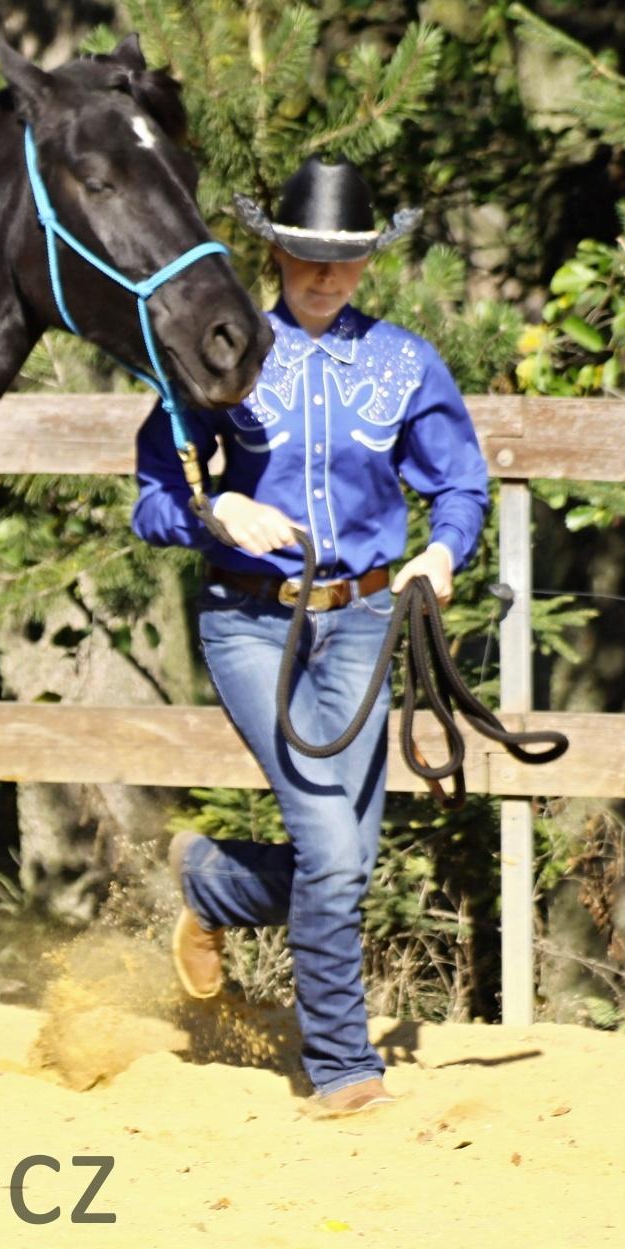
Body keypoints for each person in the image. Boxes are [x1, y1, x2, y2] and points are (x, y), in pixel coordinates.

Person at [129, 157, 490, 1118]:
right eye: (305, 255)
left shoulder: (406, 364)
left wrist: (442, 552)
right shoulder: (220, 354)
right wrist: (218, 511)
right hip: (253, 623)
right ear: (275, 253)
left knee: (343, 860)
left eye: (345, 258)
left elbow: (461, 482)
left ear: (368, 261)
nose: (325, 275)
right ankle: (341, 1068)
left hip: (367, 620)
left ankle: (212, 885)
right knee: (333, 849)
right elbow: (154, 496)